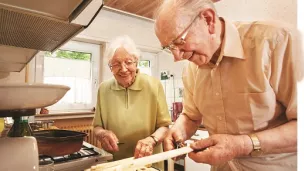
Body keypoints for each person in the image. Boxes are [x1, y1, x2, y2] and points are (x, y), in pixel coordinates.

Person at [154, 0, 301, 170]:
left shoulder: (278, 42)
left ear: (208, 20)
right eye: (169, 47)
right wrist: (178, 131)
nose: (176, 57)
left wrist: (242, 145)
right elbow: (191, 116)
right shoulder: (191, 69)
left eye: (179, 41)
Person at [92, 35, 171, 170]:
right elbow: (97, 127)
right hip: (115, 163)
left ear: (136, 62)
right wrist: (103, 134)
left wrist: (151, 140)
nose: (123, 69)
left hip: (148, 163)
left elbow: (164, 127)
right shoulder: (103, 89)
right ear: (110, 66)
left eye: (128, 62)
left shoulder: (154, 85)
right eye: (116, 64)